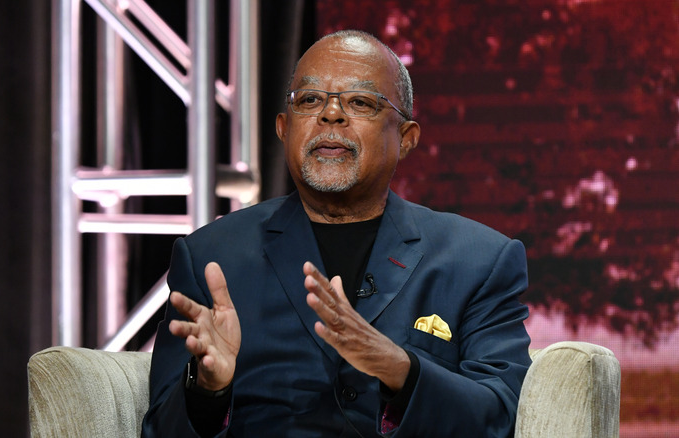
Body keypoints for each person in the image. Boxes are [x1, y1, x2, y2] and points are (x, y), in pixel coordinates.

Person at [141, 29, 531, 438]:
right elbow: (158, 432)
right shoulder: (210, 257)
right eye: (309, 100)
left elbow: (502, 416)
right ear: (283, 128)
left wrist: (399, 368)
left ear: (406, 138)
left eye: (360, 102)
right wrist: (209, 390)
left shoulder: (479, 260)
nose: (331, 115)